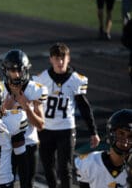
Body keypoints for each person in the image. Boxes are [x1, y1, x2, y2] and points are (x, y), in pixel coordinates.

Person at [32, 42, 101, 188]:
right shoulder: (41, 79)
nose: (60, 62)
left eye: (63, 58)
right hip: (45, 129)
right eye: (57, 58)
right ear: (51, 59)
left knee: (65, 169)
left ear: (68, 58)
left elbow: (84, 107)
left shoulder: (76, 80)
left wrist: (93, 131)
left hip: (66, 129)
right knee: (48, 168)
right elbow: (33, 104)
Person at [1, 49, 48, 188]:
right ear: (6, 71)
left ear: (26, 70)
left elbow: (40, 125)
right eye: (12, 70)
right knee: (4, 184)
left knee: (27, 184)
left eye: (19, 70)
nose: (16, 75)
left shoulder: (36, 89)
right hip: (6, 144)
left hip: (28, 143)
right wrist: (7, 107)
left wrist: (26, 107)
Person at [75, 109, 132, 188]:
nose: (125, 142)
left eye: (130, 136)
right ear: (111, 132)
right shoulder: (90, 163)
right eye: (121, 133)